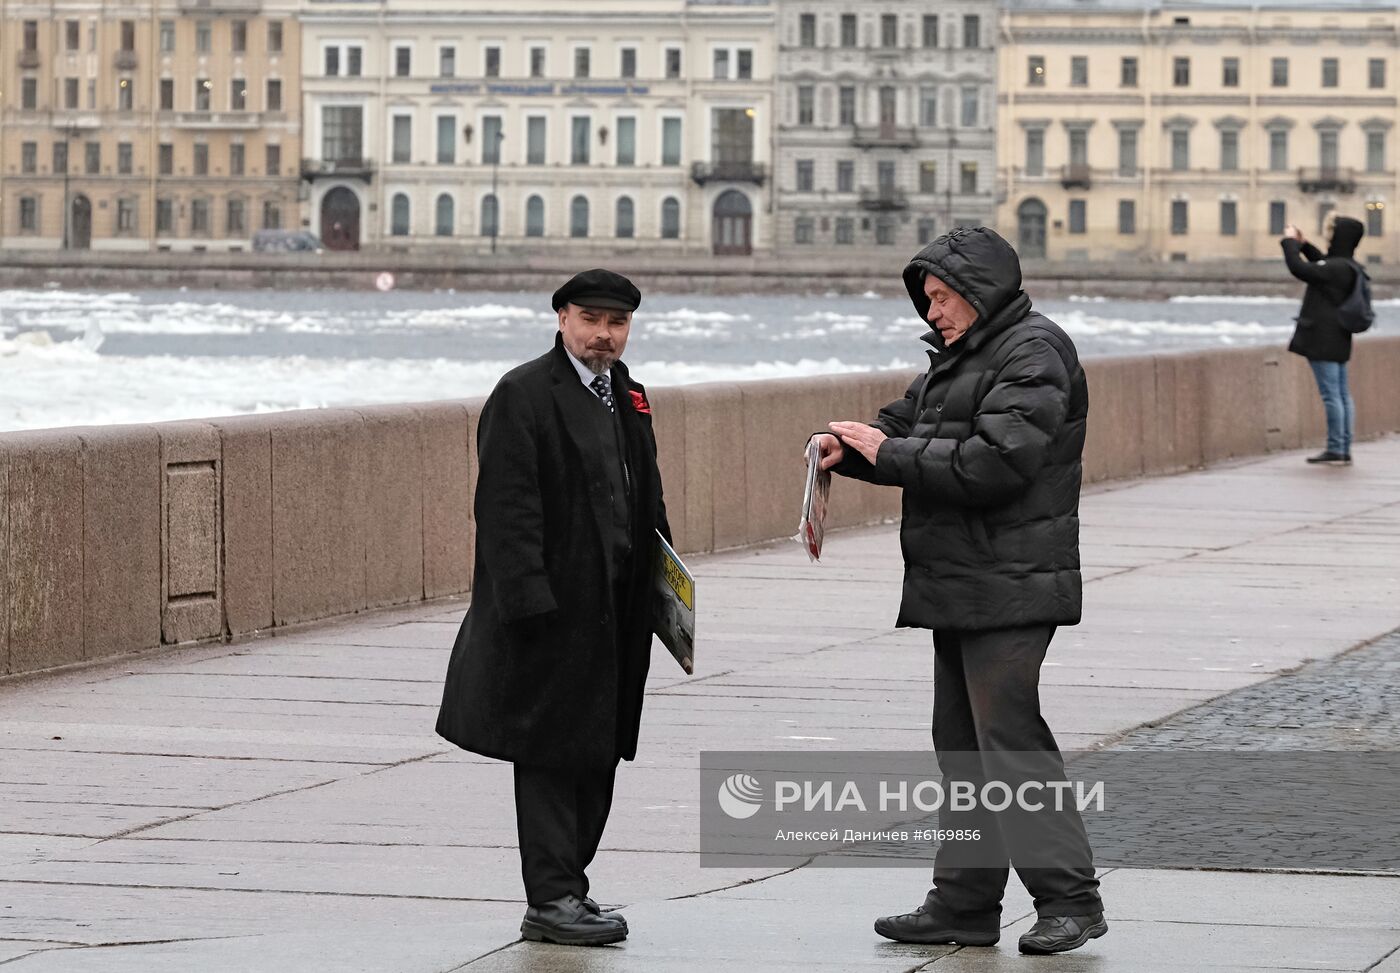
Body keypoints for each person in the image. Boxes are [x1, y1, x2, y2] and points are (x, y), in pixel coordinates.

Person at [811, 227, 1105, 956]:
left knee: (1010, 742)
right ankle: (964, 906)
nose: (934, 311)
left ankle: (1071, 899)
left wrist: (892, 450)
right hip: (964, 576)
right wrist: (853, 447)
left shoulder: (1034, 350)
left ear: (980, 291)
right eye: (929, 299)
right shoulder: (965, 354)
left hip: (1012, 574)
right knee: (964, 748)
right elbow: (909, 427)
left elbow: (999, 461)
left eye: (943, 297)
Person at [436, 269, 670, 947]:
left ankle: (572, 882)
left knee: (600, 748)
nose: (605, 335)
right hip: (552, 611)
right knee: (547, 753)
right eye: (592, 319)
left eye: (618, 323)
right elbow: (505, 512)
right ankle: (551, 896)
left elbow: (647, 497)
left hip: (619, 606)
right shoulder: (524, 393)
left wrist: (667, 588)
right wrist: (529, 606)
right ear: (562, 317)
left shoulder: (629, 394)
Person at [1283, 214, 1365, 466]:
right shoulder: (1348, 266)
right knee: (1341, 394)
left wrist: (1289, 244)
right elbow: (1320, 263)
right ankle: (1343, 445)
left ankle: (1336, 447)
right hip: (1339, 338)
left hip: (1322, 338)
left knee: (1332, 395)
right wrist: (1304, 244)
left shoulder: (1335, 268)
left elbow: (1301, 269)